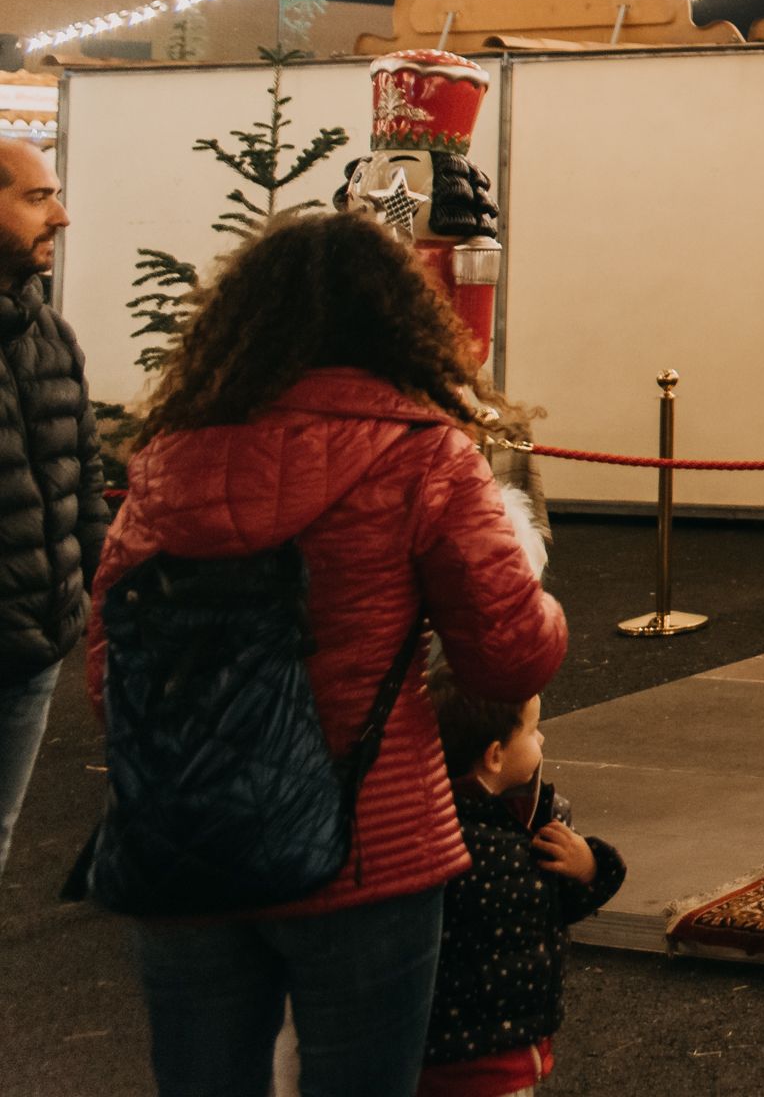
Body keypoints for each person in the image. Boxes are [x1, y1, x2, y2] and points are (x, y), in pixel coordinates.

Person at [89, 210, 566, 1097]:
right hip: (370, 844)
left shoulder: (167, 460)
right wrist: (542, 604)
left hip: (188, 836)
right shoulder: (426, 455)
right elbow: (508, 660)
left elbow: (108, 660)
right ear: (400, 321)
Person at [417, 673, 624, 1096]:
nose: (542, 740)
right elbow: (555, 906)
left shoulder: (449, 821)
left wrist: (587, 866)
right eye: (532, 731)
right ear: (494, 756)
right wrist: (589, 871)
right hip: (491, 1055)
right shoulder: (501, 848)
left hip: (444, 1047)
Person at [0, 136, 103, 880]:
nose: (61, 216)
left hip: (34, 650)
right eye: (38, 197)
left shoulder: (49, 335)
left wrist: (114, 596)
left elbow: (84, 487)